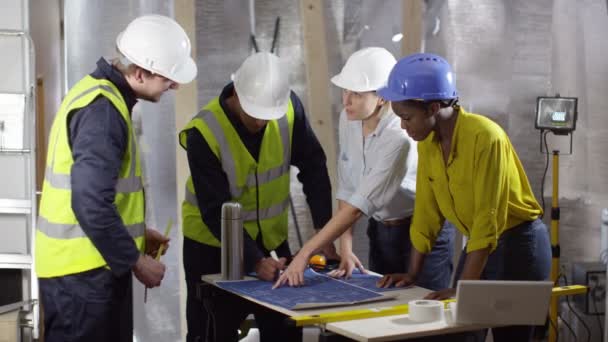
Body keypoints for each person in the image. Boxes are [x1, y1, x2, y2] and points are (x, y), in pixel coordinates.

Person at [35, 15, 197, 342]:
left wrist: (135, 236)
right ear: (139, 72)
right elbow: (90, 203)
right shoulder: (103, 112)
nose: (175, 86)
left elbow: (101, 195)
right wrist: (136, 260)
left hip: (86, 274)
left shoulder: (103, 99)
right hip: (81, 279)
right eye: (168, 77)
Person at [376, 53, 551, 342]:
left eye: (407, 118)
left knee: (510, 335)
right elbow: (426, 212)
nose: (404, 127)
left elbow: (488, 218)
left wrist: (462, 290)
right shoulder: (428, 144)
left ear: (433, 107)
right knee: (460, 332)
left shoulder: (486, 137)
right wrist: (412, 273)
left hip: (518, 244)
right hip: (482, 243)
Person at [180, 51, 334, 342]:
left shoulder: (288, 109)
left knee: (283, 330)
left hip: (273, 244)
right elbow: (216, 209)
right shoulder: (203, 132)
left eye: (268, 116)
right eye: (255, 114)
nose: (262, 123)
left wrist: (324, 232)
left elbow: (314, 166)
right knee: (213, 332)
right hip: (213, 248)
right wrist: (254, 260)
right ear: (236, 93)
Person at [273, 47, 454, 290]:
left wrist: (305, 253)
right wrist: (345, 249)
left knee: (425, 313)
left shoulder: (399, 136)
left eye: (356, 93)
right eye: (345, 90)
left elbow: (358, 207)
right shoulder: (349, 118)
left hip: (422, 234)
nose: (346, 100)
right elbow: (349, 188)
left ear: (382, 97)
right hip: (381, 230)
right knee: (381, 313)